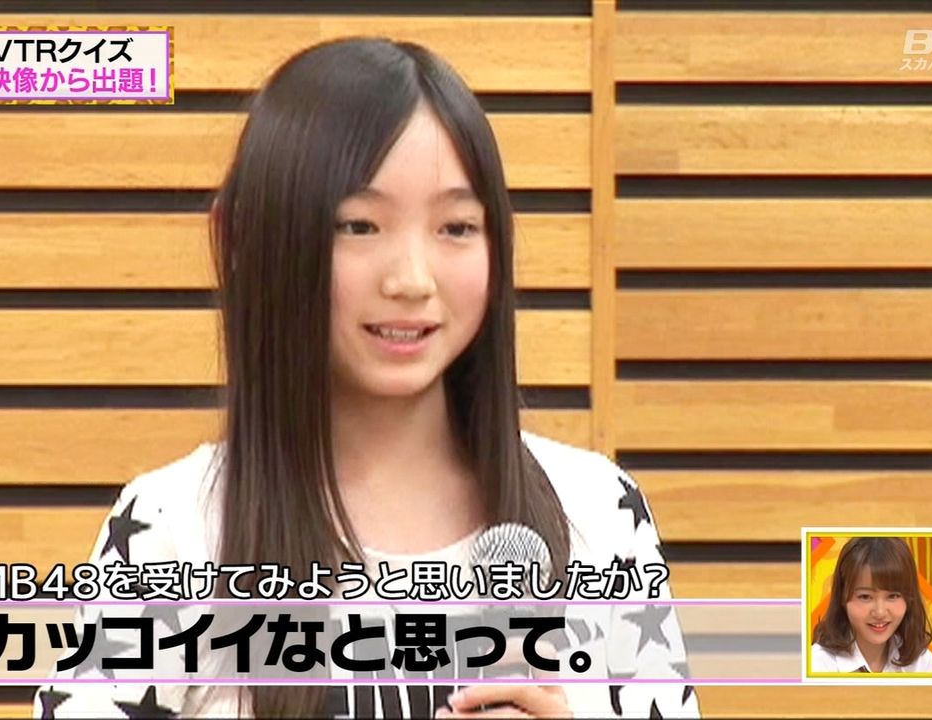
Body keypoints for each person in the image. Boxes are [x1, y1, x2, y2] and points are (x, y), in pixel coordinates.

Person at [34, 37, 699, 719]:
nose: (410, 279)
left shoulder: (598, 514)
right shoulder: (171, 531)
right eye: (358, 225)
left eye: (456, 227)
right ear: (243, 239)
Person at [810, 537, 932, 675]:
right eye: (865, 597)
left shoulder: (921, 661)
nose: (880, 612)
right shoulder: (817, 664)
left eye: (893, 596)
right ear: (842, 597)